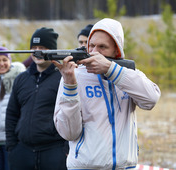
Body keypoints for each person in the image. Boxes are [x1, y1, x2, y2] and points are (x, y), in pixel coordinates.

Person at [52, 18, 161, 169]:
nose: (94, 52)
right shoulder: (74, 75)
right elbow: (68, 133)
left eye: (102, 47)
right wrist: (70, 84)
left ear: (117, 49)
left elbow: (151, 100)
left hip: (124, 167)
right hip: (85, 167)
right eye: (91, 45)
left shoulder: (127, 73)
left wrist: (111, 70)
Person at [6, 27, 68, 170]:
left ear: (52, 50)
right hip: (22, 152)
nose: (37, 51)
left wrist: (65, 150)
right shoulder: (21, 79)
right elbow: (12, 114)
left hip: (54, 151)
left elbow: (71, 114)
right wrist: (12, 147)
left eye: (42, 47)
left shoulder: (63, 78)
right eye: (34, 47)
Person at [0, 46, 26, 170]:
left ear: (10, 61)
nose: (1, 64)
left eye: (4, 60)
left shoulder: (17, 81)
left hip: (11, 140)